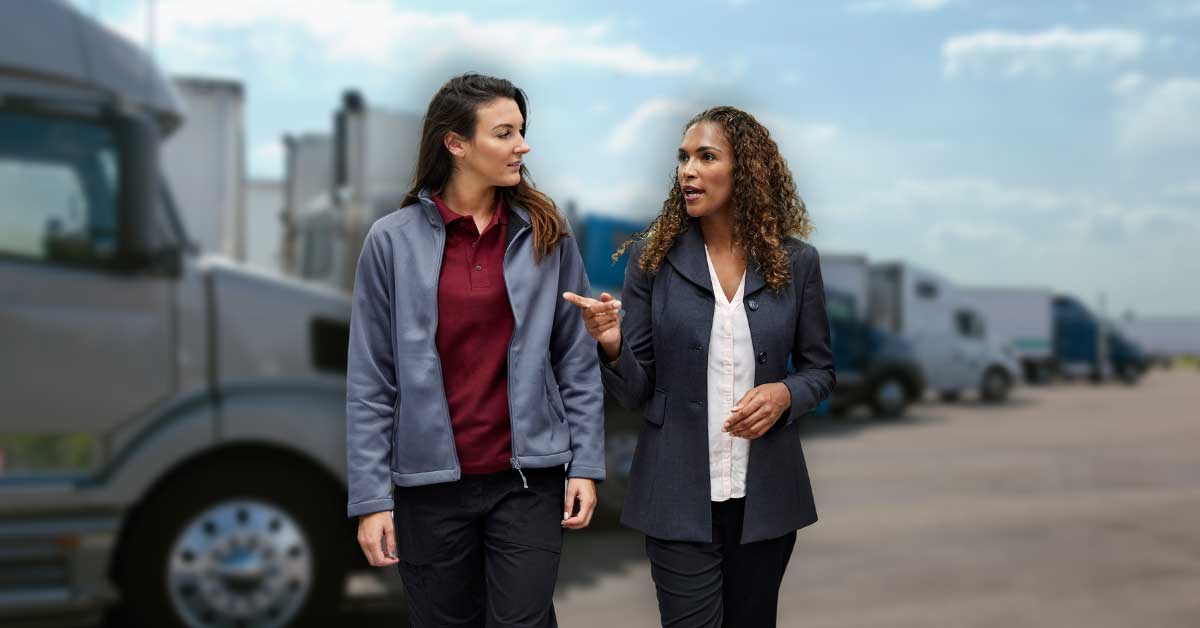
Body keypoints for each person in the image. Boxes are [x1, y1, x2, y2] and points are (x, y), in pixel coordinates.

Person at [346, 72, 605, 628]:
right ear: (456, 144)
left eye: (522, 131)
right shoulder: (390, 241)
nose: (523, 146)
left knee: (521, 622)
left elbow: (575, 361)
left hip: (528, 480)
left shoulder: (546, 234)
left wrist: (584, 464)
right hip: (428, 486)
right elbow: (371, 380)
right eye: (505, 133)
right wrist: (371, 500)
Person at [564, 106, 835, 628]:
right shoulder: (651, 259)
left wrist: (784, 394)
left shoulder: (797, 262)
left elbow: (819, 370)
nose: (687, 170)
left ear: (746, 171)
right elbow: (637, 394)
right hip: (675, 494)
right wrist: (613, 343)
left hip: (766, 499)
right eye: (683, 158)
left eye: (705, 157)